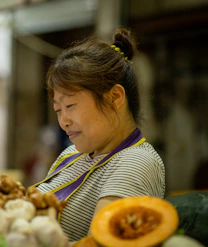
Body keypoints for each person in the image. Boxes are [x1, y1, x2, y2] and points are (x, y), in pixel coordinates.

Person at [33, 28, 165, 242]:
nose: (63, 120)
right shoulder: (70, 154)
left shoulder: (136, 163)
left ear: (114, 97)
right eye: (58, 109)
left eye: (70, 105)